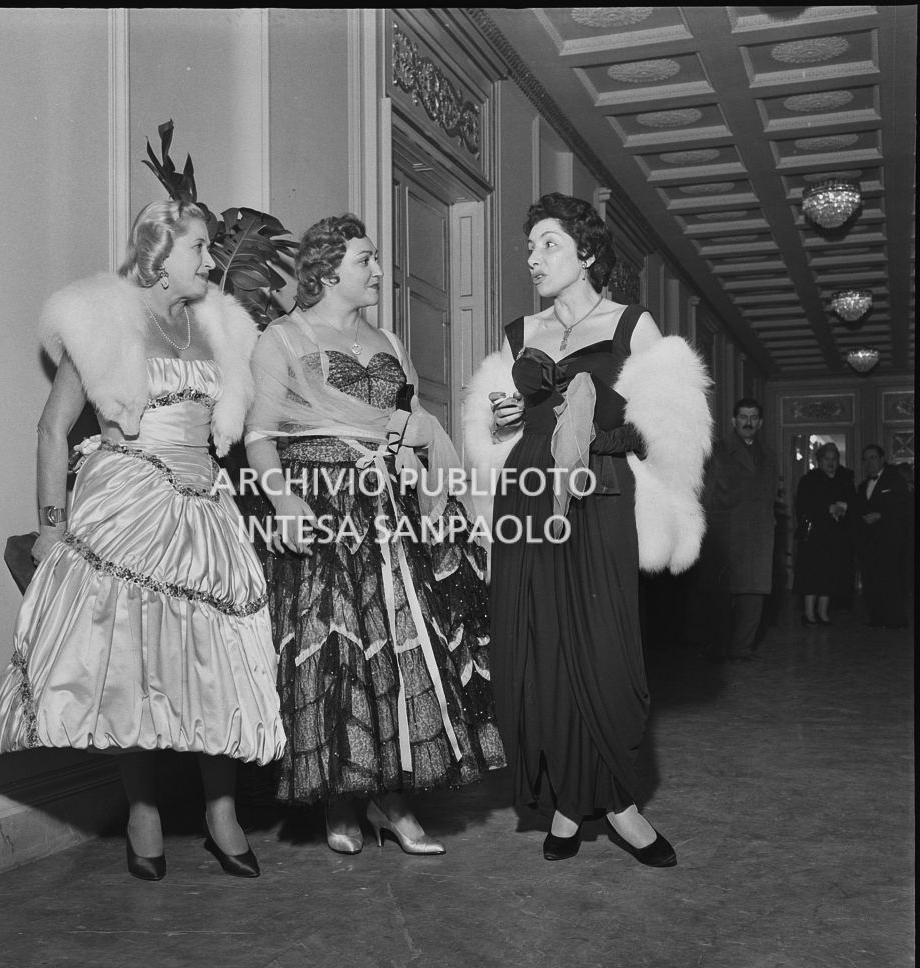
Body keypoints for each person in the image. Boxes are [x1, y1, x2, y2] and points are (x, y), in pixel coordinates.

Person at [0, 199, 286, 881]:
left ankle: (221, 812)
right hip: (127, 500)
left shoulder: (220, 329)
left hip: (203, 505)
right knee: (130, 661)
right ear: (158, 252)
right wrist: (53, 528)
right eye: (199, 247)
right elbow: (51, 429)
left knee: (218, 663)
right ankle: (141, 808)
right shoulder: (106, 324)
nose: (211, 261)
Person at [463, 193, 712, 866]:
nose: (532, 258)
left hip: (597, 495)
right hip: (525, 500)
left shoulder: (631, 325)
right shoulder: (519, 334)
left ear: (587, 253)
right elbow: (494, 431)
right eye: (528, 247)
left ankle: (621, 806)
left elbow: (669, 427)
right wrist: (504, 422)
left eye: (546, 244)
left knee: (603, 651)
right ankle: (569, 805)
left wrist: (596, 418)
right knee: (538, 653)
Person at [244, 214, 505, 856]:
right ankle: (342, 796)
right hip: (323, 506)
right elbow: (259, 435)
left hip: (391, 509)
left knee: (401, 646)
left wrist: (418, 446)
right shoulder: (283, 337)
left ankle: (392, 800)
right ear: (330, 269)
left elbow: (407, 418)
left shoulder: (388, 338)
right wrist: (282, 501)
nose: (380, 271)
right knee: (336, 649)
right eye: (367, 259)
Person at [698, 398, 780, 662]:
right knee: (720, 596)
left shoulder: (769, 455)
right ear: (734, 421)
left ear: (760, 422)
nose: (748, 422)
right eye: (743, 417)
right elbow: (706, 496)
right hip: (726, 534)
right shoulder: (717, 451)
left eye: (754, 417)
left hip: (759, 534)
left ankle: (742, 648)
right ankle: (715, 648)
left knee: (754, 594)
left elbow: (770, 496)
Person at [792, 442, 855, 625]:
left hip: (836, 536)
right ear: (819, 460)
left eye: (834, 459)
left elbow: (853, 502)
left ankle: (823, 613)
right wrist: (828, 508)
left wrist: (844, 507)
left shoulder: (844, 479)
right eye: (827, 459)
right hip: (814, 537)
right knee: (812, 576)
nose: (831, 463)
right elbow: (803, 506)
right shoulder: (809, 480)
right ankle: (809, 613)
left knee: (830, 575)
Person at [854, 444, 910, 628]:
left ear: (881, 459)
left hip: (890, 541)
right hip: (869, 543)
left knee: (891, 580)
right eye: (866, 459)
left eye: (872, 457)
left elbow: (904, 509)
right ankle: (876, 618)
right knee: (871, 581)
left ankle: (895, 619)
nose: (869, 462)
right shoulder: (862, 487)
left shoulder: (895, 481)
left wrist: (882, 516)